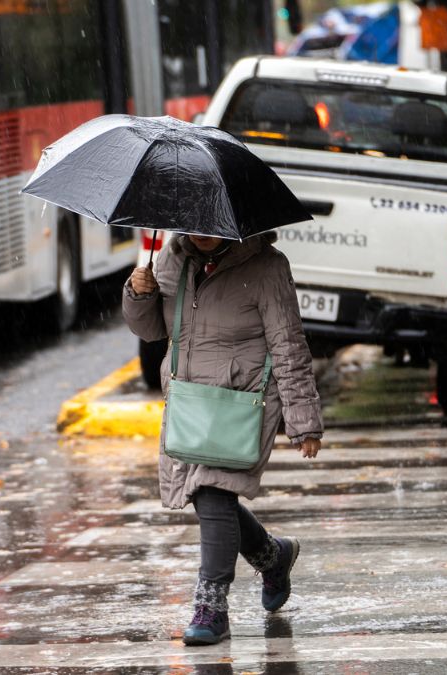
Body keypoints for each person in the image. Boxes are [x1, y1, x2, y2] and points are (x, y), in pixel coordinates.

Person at [123, 232, 323, 646]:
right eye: (194, 225)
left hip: (244, 399)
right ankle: (272, 556)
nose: (202, 234)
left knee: (214, 492)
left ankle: (212, 607)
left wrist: (302, 419)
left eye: (211, 227)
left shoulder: (267, 267)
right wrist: (138, 294)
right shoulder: (172, 260)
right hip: (191, 398)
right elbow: (152, 331)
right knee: (205, 492)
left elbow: (288, 345)